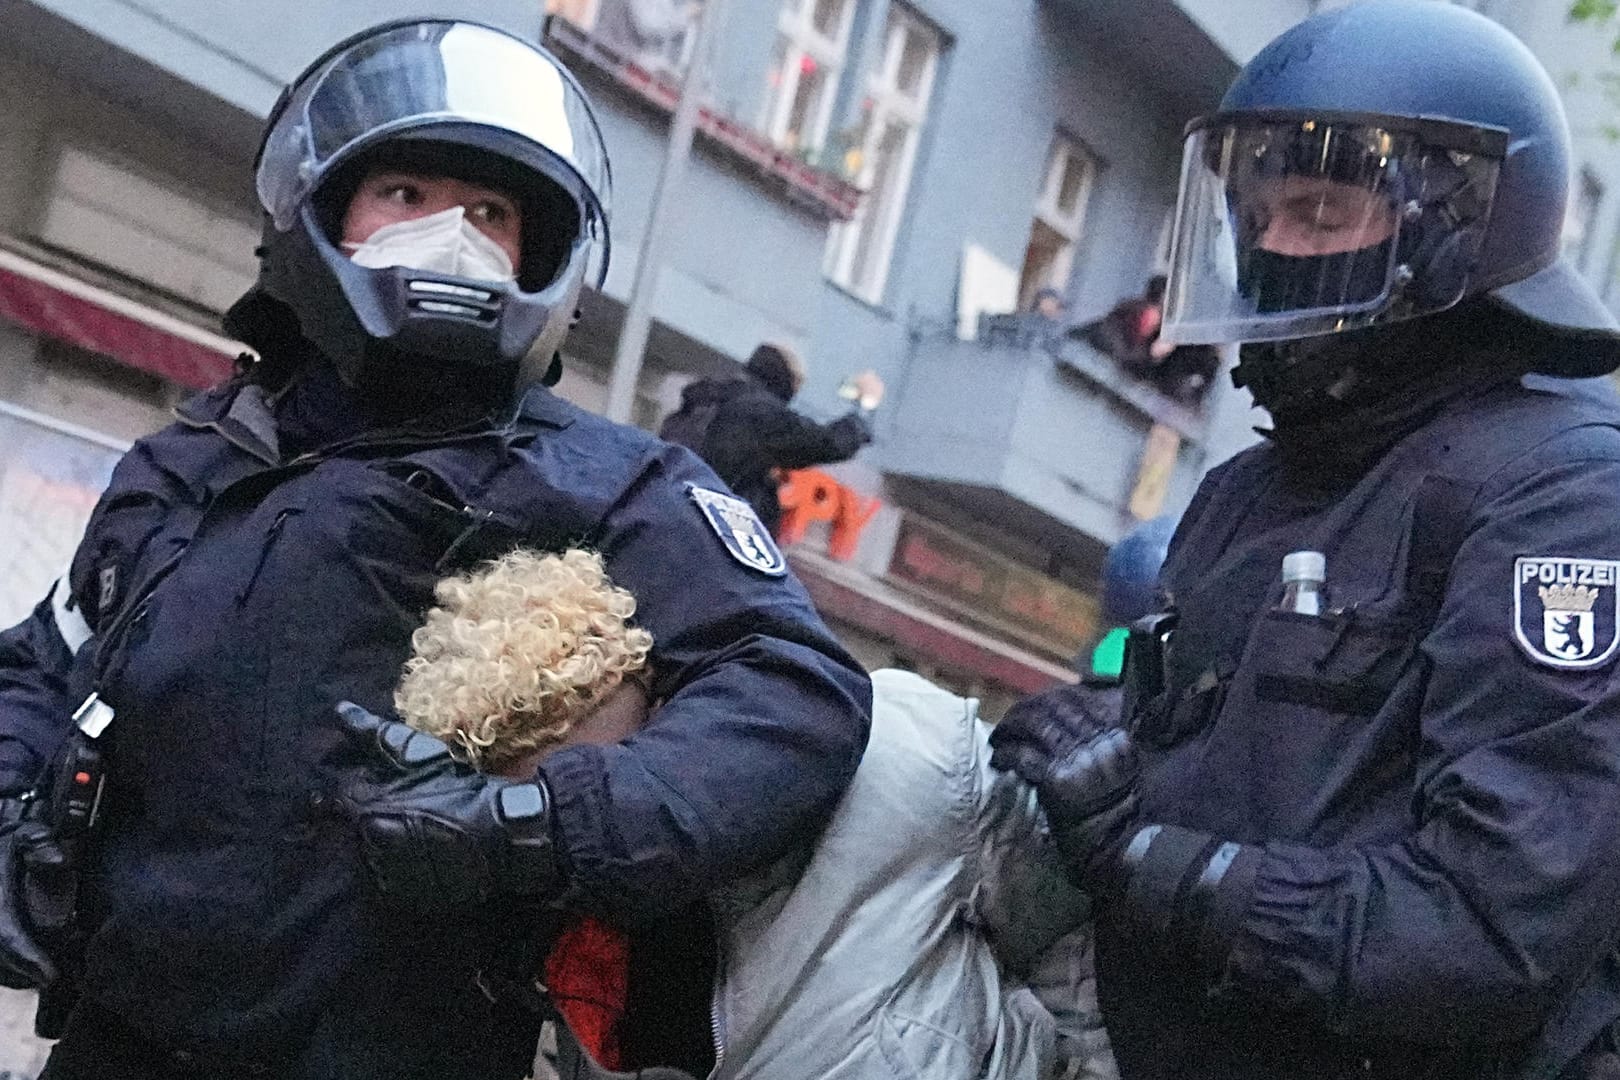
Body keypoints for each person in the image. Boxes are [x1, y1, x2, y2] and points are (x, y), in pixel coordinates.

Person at [0, 20, 870, 1080]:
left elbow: (793, 695)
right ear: (322, 212)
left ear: (537, 253)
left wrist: (535, 823)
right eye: (406, 195)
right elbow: (45, 666)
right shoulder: (191, 462)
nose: (447, 235)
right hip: (117, 1043)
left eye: (490, 213)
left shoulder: (619, 484)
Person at [990, 4, 1620, 1079]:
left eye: (1323, 213)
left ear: (1456, 226)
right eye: (1260, 213)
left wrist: (1147, 857)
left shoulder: (1563, 494)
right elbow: (1232, 778)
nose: (1276, 247)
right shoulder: (1243, 492)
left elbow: (1490, 929)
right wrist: (1091, 752)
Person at [391, 546, 1117, 1079]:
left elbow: (1084, 958)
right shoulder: (567, 932)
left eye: (625, 767)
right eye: (554, 809)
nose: (605, 822)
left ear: (664, 692)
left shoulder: (901, 750)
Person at [659, 343, 884, 535]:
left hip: (667, 512)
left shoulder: (708, 397)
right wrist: (864, 408)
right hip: (715, 531)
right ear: (786, 378)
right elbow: (826, 443)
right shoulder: (761, 413)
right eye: (798, 383)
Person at [1074, 277, 1218, 405]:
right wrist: (1152, 354)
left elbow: (1169, 390)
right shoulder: (1117, 323)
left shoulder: (1179, 349)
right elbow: (1123, 364)